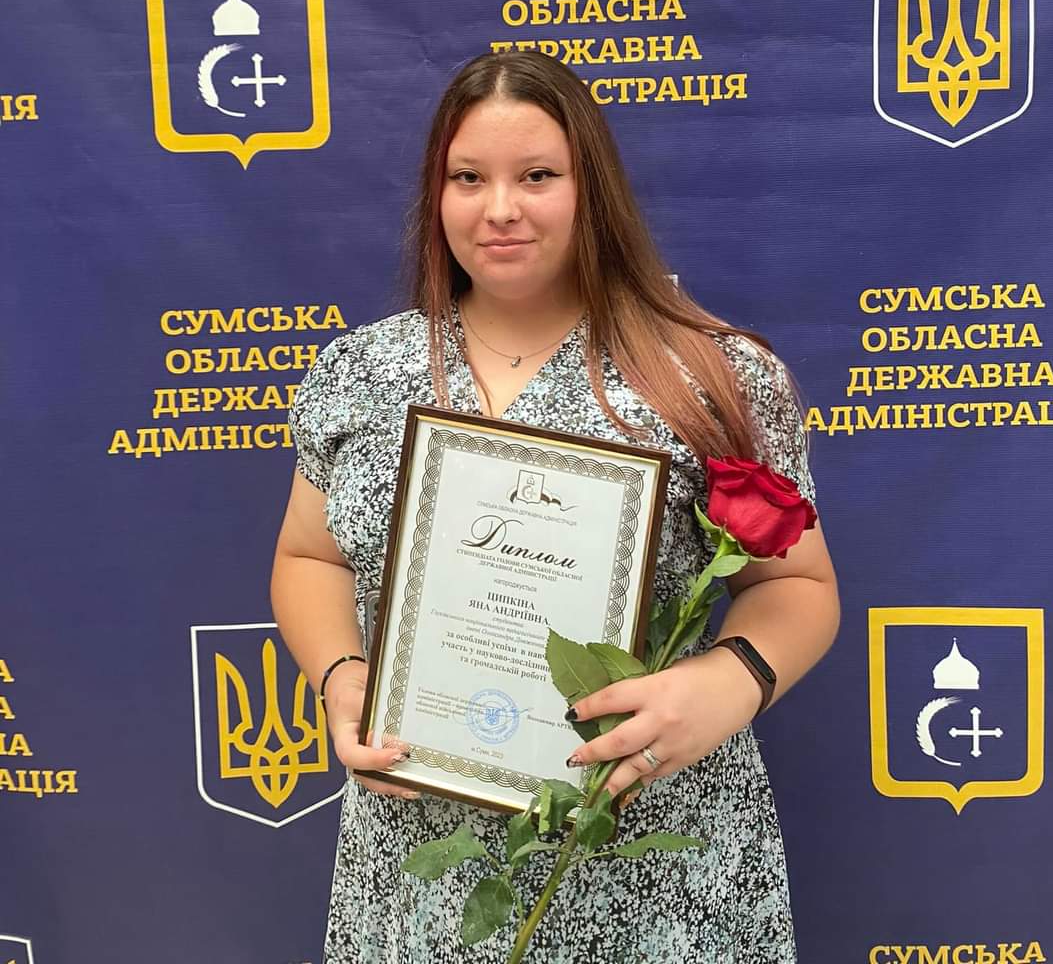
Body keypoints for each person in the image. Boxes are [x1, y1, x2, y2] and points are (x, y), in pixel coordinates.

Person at [270, 51, 840, 964]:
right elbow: (309, 557)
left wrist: (728, 683)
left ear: (592, 190)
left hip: (653, 859)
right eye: (468, 178)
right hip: (420, 859)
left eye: (537, 176)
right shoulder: (360, 373)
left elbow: (799, 585)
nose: (499, 208)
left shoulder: (711, 376)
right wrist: (342, 676)